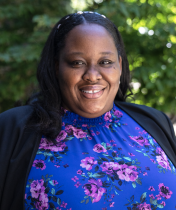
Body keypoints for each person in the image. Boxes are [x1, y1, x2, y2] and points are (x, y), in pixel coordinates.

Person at [0, 11, 176, 210]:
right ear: (57, 66)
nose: (92, 76)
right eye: (77, 63)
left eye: (105, 62)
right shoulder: (13, 130)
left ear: (119, 65)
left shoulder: (155, 122)